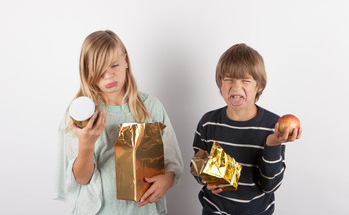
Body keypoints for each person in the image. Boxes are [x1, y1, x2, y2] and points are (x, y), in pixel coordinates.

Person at [53, 30, 184, 215]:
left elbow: (173, 163)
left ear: (126, 61)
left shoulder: (151, 108)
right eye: (99, 71)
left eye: (114, 65)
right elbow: (81, 179)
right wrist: (86, 144)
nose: (108, 76)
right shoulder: (81, 116)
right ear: (87, 71)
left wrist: (168, 179)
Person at [191, 43, 302, 215]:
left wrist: (272, 144)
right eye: (228, 79)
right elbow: (198, 162)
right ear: (220, 83)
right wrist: (205, 178)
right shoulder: (208, 122)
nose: (236, 87)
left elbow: (270, 185)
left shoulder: (274, 127)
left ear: (259, 86)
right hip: (214, 211)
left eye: (245, 80)